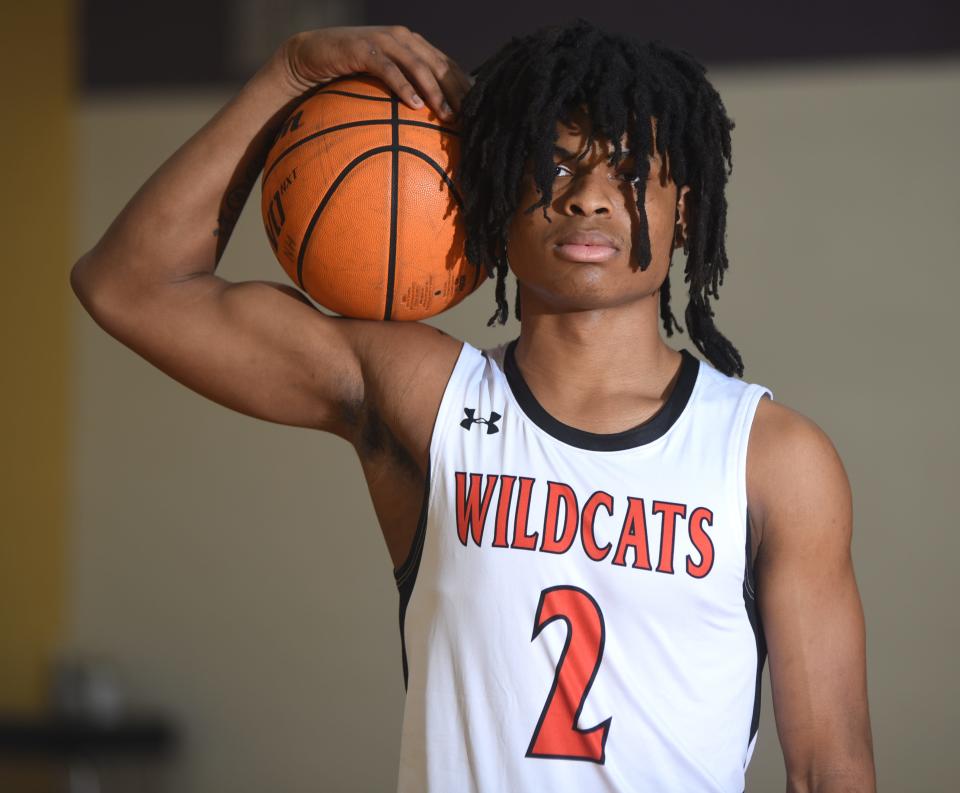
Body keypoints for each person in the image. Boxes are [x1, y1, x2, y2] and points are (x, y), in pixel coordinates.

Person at [70, 19, 876, 793]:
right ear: (496, 196)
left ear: (687, 209)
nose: (589, 197)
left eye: (629, 171)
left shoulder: (771, 457)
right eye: (553, 166)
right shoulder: (426, 398)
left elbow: (829, 770)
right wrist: (290, 74)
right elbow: (129, 286)